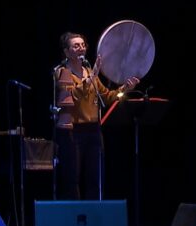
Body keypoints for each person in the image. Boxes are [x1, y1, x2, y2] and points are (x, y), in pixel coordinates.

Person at [53, 31, 139, 200]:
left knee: (95, 178)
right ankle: (74, 218)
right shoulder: (62, 72)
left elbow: (106, 97)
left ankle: (93, 218)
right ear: (67, 52)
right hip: (73, 132)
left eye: (83, 45)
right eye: (76, 46)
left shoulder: (89, 72)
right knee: (72, 179)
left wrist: (124, 89)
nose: (81, 48)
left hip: (93, 130)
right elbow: (72, 97)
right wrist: (92, 75)